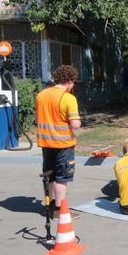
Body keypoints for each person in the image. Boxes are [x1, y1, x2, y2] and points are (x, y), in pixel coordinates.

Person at [35, 65, 81, 219]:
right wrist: (78, 123)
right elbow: (75, 124)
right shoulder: (68, 98)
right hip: (63, 145)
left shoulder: (41, 95)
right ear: (69, 81)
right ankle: (59, 210)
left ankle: (50, 205)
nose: (73, 85)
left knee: (50, 175)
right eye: (73, 82)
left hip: (46, 143)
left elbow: (38, 119)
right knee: (62, 178)